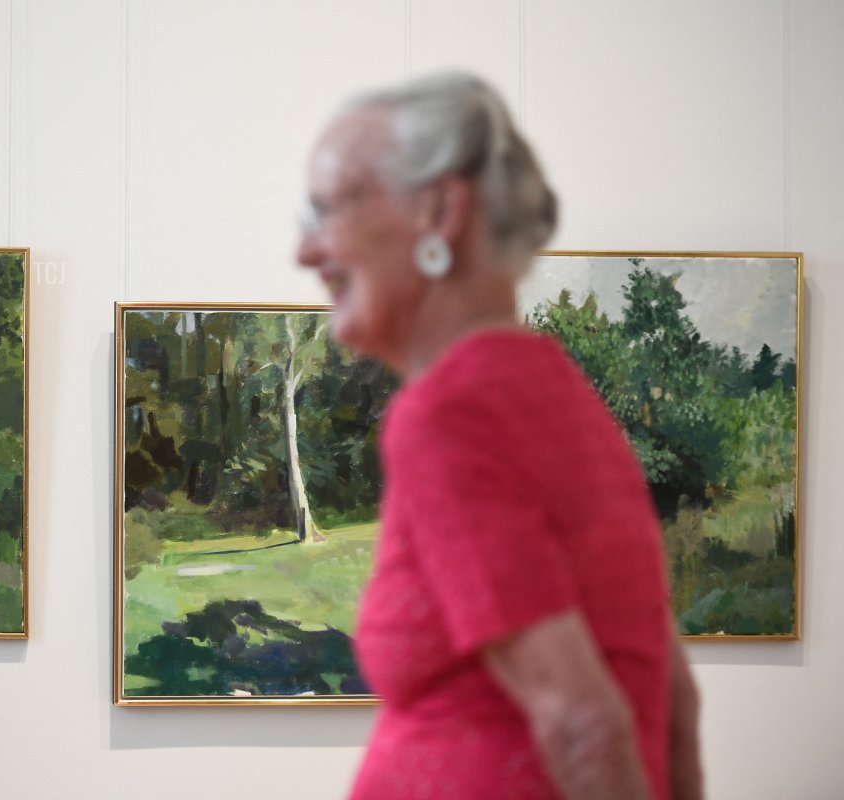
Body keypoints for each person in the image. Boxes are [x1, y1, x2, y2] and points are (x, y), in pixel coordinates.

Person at [296, 72, 703, 800]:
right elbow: (674, 702)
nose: (304, 249)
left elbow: (581, 718)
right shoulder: (556, 394)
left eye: (326, 209)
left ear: (440, 209)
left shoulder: (453, 412)